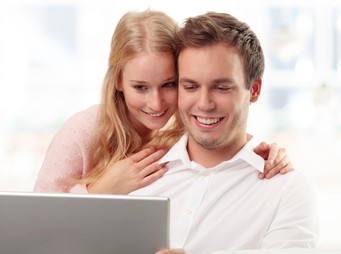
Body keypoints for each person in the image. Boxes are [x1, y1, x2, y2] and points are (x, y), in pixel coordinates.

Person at [33, 10, 293, 194]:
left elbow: (225, 143)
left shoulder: (184, 129)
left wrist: (265, 153)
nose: (156, 104)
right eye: (140, 87)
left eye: (169, 84)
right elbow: (37, 221)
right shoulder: (84, 130)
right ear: (118, 81)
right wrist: (100, 191)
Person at [126, 11, 318, 254]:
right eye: (190, 86)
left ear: (254, 90)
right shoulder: (137, 170)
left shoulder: (286, 191)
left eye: (222, 87)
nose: (204, 104)